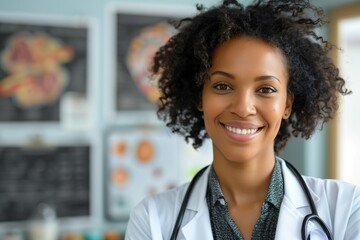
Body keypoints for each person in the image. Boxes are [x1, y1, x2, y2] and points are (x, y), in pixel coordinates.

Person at [125, 0, 360, 239]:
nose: (243, 108)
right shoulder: (152, 220)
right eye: (223, 86)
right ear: (200, 98)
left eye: (266, 89)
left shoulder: (347, 207)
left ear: (287, 104)